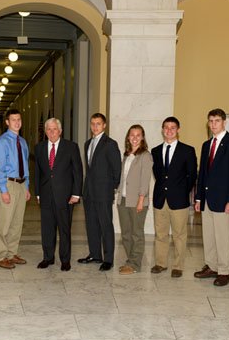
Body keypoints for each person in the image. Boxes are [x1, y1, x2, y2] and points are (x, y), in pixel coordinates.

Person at [194, 108, 229, 286]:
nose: (213, 124)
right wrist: (199, 198)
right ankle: (212, 265)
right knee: (208, 235)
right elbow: (203, 175)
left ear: (224, 122)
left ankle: (224, 270)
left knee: (223, 236)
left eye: (216, 121)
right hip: (207, 199)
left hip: (224, 200)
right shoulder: (206, 145)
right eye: (211, 121)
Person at [150, 116, 197, 278]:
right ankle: (160, 263)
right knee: (161, 234)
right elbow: (158, 174)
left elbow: (192, 175)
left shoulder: (187, 150)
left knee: (179, 234)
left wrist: (183, 192)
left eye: (172, 127)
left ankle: (178, 265)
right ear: (162, 130)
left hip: (179, 200)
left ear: (178, 130)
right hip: (160, 199)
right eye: (166, 127)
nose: (169, 130)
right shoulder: (155, 151)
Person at [34, 118, 83, 272]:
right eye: (49, 129)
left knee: (64, 229)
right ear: (46, 131)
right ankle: (48, 257)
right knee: (47, 229)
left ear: (60, 131)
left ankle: (65, 260)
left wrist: (76, 194)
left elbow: (78, 172)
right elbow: (37, 172)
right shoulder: (40, 148)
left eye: (55, 129)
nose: (52, 132)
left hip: (66, 196)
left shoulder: (71, 147)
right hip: (46, 195)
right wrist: (38, 193)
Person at [78, 113, 121, 271]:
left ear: (104, 126)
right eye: (93, 124)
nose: (95, 127)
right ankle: (95, 254)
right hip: (89, 192)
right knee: (91, 225)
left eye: (98, 124)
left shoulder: (110, 144)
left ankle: (108, 259)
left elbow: (117, 169)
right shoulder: (87, 143)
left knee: (105, 225)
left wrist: (111, 188)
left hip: (103, 192)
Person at [0, 109, 30, 269]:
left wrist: (27, 187)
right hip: (8, 184)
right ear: (7, 122)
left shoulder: (22, 141)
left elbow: (26, 165)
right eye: (13, 120)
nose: (17, 122)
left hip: (21, 184)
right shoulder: (1, 142)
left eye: (19, 119)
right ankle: (0, 256)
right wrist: (3, 190)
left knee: (17, 222)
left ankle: (11, 253)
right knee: (4, 222)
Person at [117, 125, 153, 275]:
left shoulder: (145, 155)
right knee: (126, 233)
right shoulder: (126, 154)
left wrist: (141, 200)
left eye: (138, 135)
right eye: (132, 135)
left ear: (142, 137)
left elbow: (145, 181)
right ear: (128, 137)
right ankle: (130, 260)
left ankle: (135, 264)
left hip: (137, 200)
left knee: (136, 233)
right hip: (123, 199)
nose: (135, 138)